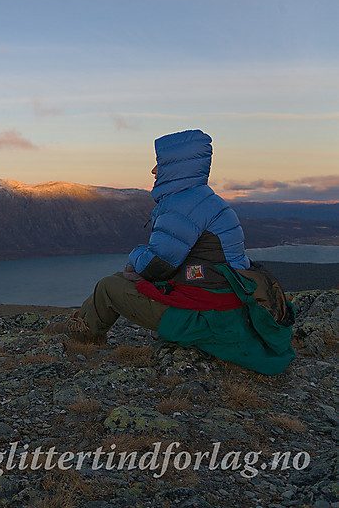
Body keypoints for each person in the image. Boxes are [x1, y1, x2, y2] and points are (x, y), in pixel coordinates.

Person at [55, 129, 295, 375]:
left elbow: (157, 266)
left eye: (159, 164)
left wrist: (136, 254)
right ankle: (81, 323)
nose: (154, 171)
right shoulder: (207, 200)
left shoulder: (181, 204)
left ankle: (85, 336)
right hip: (225, 305)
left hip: (206, 317)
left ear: (176, 168)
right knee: (120, 279)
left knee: (109, 286)